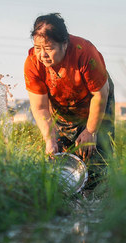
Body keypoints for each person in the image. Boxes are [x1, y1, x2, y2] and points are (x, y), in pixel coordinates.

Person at [24, 13, 115, 190]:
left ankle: (99, 194)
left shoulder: (85, 53)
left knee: (96, 152)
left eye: (49, 48)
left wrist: (90, 130)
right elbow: (40, 107)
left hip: (94, 100)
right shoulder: (32, 63)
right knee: (60, 150)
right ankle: (68, 193)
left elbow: (100, 95)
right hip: (61, 102)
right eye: (37, 48)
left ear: (65, 43)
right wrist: (49, 138)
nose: (42, 55)